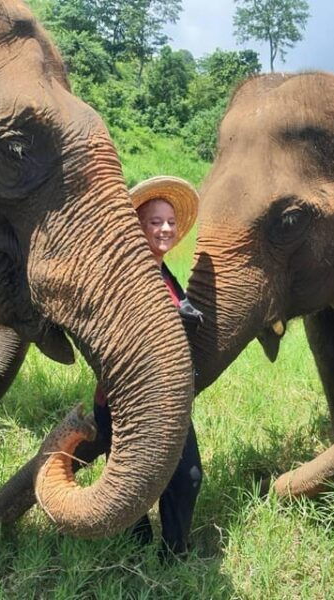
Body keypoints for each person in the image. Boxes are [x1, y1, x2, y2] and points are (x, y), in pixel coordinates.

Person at [93, 175, 204, 557]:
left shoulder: (164, 273)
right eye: (155, 222)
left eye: (170, 222)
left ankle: (173, 556)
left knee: (187, 477)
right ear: (138, 227)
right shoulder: (127, 277)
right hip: (129, 399)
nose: (165, 229)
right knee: (134, 485)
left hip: (167, 398)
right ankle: (133, 556)